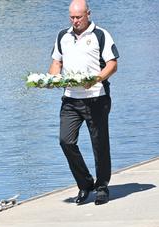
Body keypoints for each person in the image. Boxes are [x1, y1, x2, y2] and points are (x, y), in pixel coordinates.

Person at [49, 0, 119, 205]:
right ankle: (85, 183)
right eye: (72, 17)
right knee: (66, 141)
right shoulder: (63, 35)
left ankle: (102, 186)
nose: (75, 21)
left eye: (78, 17)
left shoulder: (100, 35)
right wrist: (53, 78)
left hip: (96, 98)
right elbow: (56, 62)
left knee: (99, 144)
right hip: (70, 98)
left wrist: (95, 79)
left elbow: (112, 64)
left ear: (88, 14)